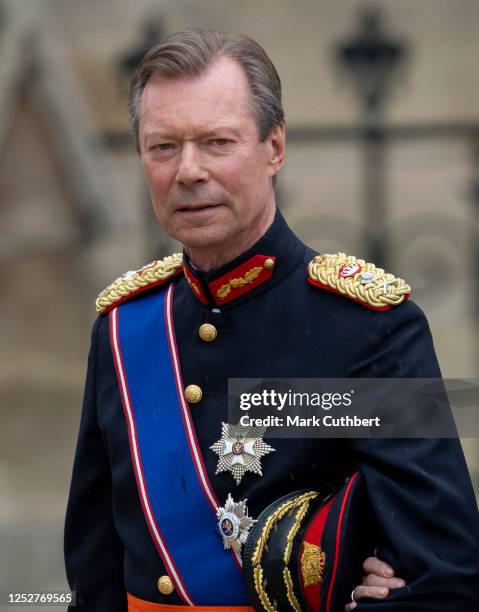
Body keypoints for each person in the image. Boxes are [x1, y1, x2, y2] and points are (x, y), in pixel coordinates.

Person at [64, 29, 479, 611]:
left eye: (217, 142)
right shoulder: (122, 330)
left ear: (274, 147)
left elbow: (447, 577)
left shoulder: (372, 326)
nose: (188, 171)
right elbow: (94, 577)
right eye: (163, 147)